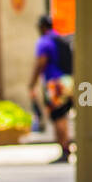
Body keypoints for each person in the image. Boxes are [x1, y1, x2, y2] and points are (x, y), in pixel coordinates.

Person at [29, 14, 74, 163]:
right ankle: (67, 146)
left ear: (42, 27)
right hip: (69, 80)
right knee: (64, 115)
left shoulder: (44, 42)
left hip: (55, 83)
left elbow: (40, 63)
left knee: (58, 116)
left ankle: (64, 149)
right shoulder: (60, 39)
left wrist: (32, 82)